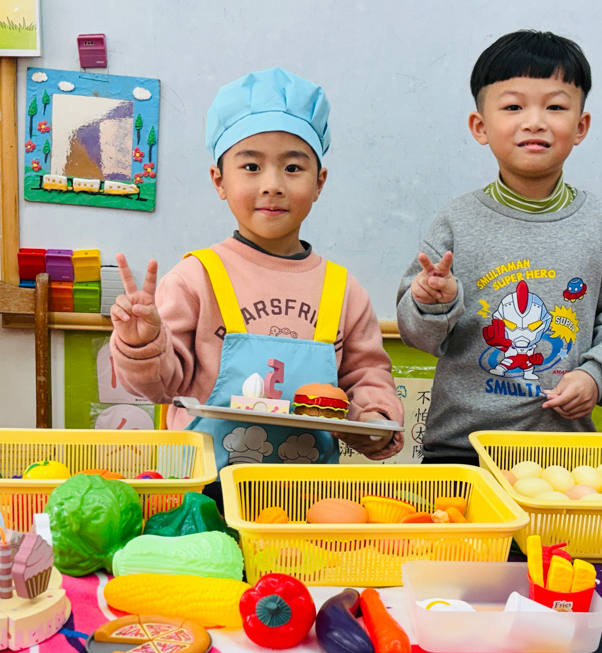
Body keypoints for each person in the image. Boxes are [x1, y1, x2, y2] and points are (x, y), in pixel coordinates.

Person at [110, 67, 403, 476]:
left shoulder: (344, 290)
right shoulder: (195, 278)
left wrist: (374, 419)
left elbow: (367, 375)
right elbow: (158, 386)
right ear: (219, 180)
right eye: (251, 166)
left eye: (293, 168)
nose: (272, 184)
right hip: (203, 491)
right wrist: (142, 344)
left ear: (319, 183)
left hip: (306, 492)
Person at [396, 30, 602, 464]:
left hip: (560, 454)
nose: (535, 121)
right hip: (459, 449)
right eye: (513, 107)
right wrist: (432, 303)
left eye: (555, 107)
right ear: (480, 127)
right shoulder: (456, 221)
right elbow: (417, 335)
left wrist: (595, 375)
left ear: (581, 127)